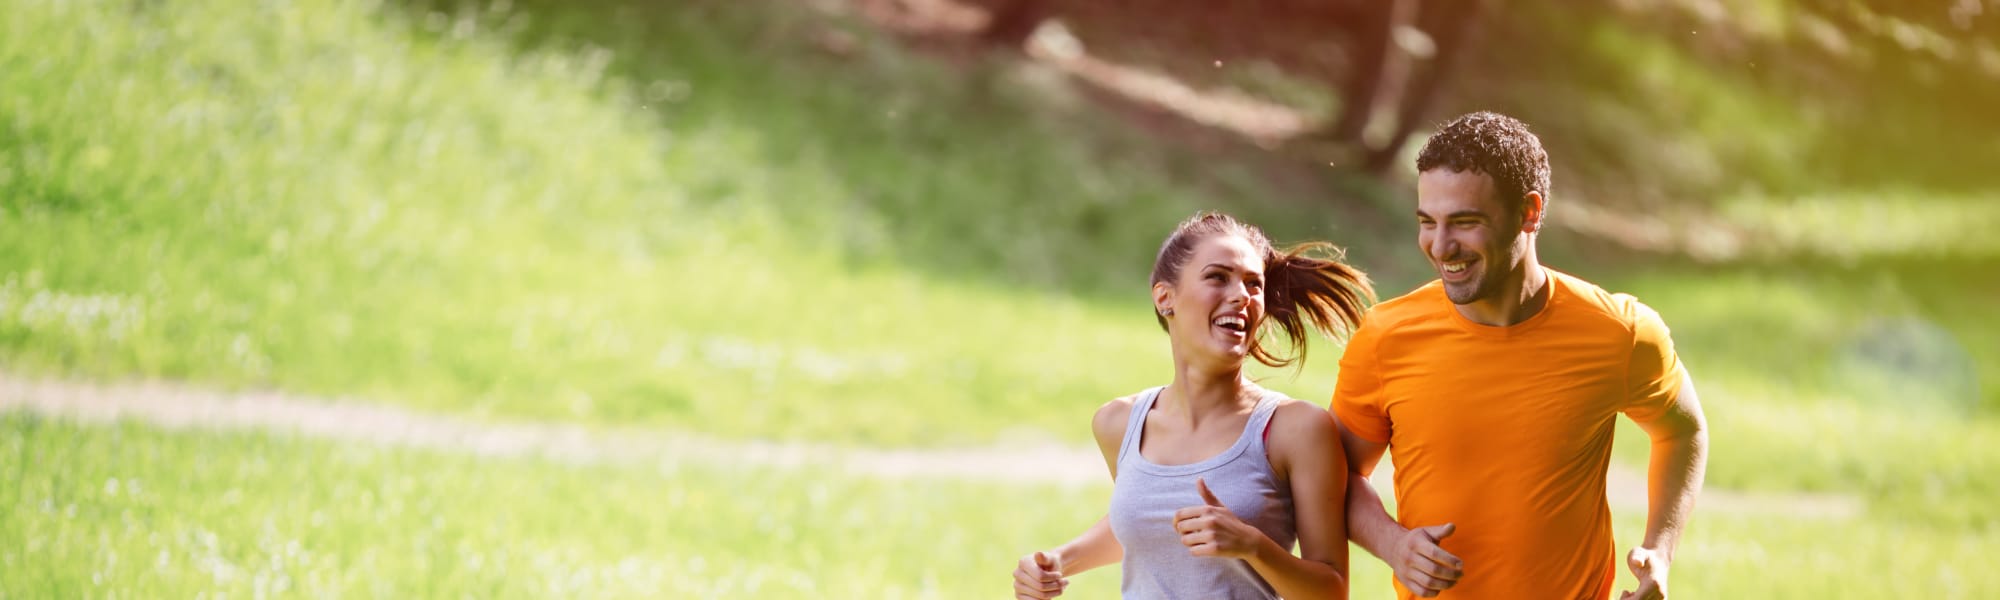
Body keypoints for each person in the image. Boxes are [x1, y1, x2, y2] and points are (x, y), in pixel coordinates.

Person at [1332, 112, 1710, 600]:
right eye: (1428, 222)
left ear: (1529, 213)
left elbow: (1682, 429)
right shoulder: (1387, 337)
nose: (1441, 246)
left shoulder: (1619, 332)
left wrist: (1661, 550)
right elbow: (1333, 474)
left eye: (1465, 223)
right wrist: (1392, 543)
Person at [1012, 212, 1374, 600]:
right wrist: (1058, 560)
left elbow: (1331, 592)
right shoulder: (1119, 423)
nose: (1241, 295)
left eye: (1254, 284)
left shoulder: (1295, 429)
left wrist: (1253, 545)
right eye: (1218, 277)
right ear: (1165, 297)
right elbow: (1149, 522)